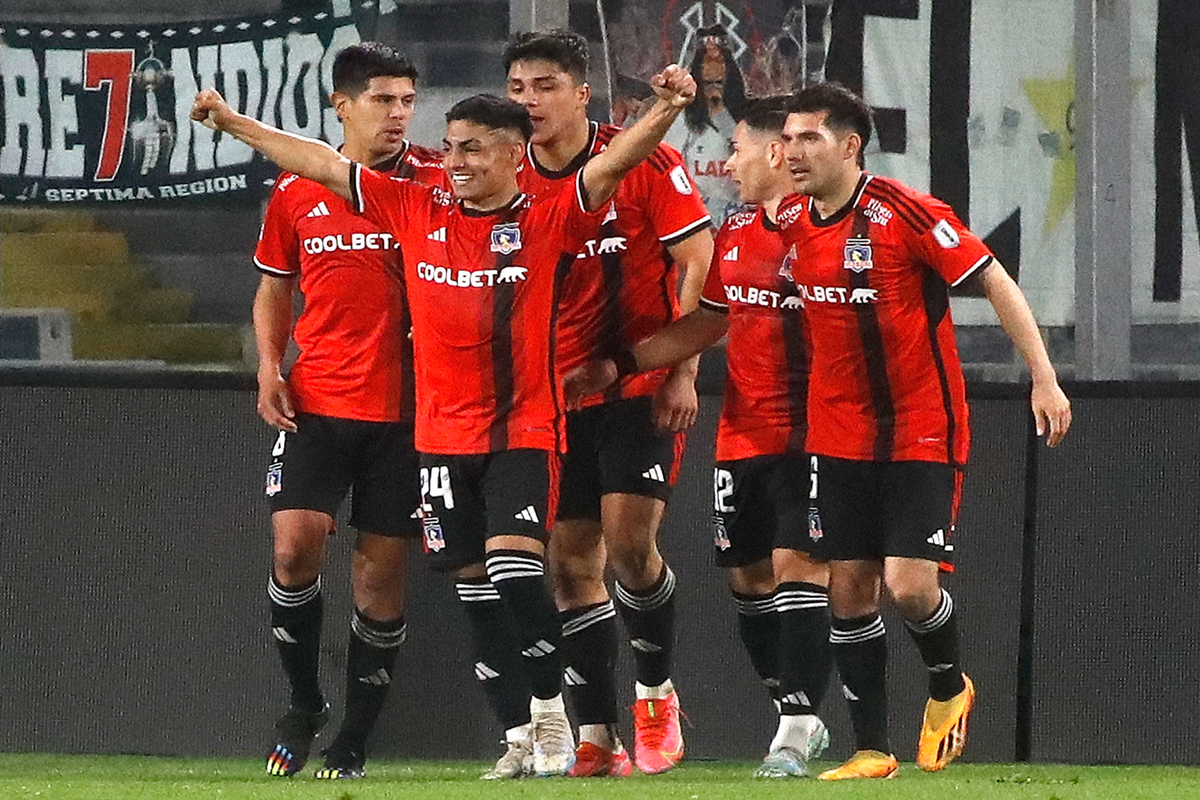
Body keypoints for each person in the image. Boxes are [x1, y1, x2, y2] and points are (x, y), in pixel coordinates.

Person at [192, 62, 699, 780]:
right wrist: (234, 123)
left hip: (523, 429)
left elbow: (614, 163)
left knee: (518, 569)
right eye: (452, 147)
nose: (455, 162)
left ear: (514, 156)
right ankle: (520, 733)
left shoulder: (550, 217)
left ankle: (559, 718)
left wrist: (667, 107)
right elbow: (319, 164)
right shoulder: (414, 209)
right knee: (476, 589)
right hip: (438, 437)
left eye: (474, 149)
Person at [776, 82, 1072, 779]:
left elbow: (994, 278)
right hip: (836, 434)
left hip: (920, 429)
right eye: (786, 138)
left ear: (850, 146)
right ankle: (872, 750)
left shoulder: (903, 212)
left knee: (909, 588)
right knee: (847, 590)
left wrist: (1044, 375)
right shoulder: (791, 217)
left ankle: (947, 687)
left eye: (808, 138)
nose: (792, 152)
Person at [563, 97, 834, 778]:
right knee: (747, 576)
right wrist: (621, 364)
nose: (731, 160)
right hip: (744, 432)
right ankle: (793, 715)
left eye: (740, 147)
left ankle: (799, 729)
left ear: (776, 154)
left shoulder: (836, 230)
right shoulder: (739, 231)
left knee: (800, 567)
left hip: (823, 429)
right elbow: (707, 322)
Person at [503, 29, 714, 776]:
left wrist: (682, 371)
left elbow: (697, 259)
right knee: (567, 561)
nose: (531, 100)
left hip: (637, 381)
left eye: (547, 85)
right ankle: (596, 734)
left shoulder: (648, 160)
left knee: (629, 546)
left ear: (582, 92)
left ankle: (655, 692)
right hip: (552, 395)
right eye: (520, 88)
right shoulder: (504, 174)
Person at [252, 42, 442, 781]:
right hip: (319, 400)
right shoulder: (296, 190)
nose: (399, 115)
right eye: (383, 101)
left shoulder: (434, 181)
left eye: (406, 101)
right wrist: (270, 366)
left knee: (378, 579)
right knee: (293, 551)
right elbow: (275, 285)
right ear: (343, 106)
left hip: (408, 412)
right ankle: (304, 703)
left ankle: (355, 739)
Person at [665, 27, 747, 225]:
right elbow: (669, 167)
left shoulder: (747, 117)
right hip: (695, 217)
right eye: (707, 61)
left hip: (739, 216)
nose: (713, 66)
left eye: (719, 60)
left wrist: (719, 112)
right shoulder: (681, 119)